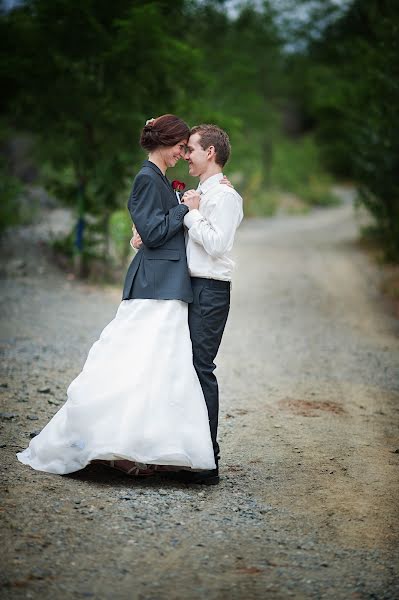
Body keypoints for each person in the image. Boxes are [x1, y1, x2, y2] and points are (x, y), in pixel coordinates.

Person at [16, 114, 217, 477]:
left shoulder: (159, 179)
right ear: (165, 142)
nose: (182, 154)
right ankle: (114, 446)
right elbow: (155, 233)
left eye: (187, 149)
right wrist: (185, 208)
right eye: (180, 147)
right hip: (154, 286)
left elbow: (152, 229)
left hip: (167, 285)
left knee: (159, 368)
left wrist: (180, 211)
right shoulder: (146, 178)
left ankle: (145, 446)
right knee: (133, 363)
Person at [133, 124, 243, 485]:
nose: (186, 156)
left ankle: (208, 460)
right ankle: (183, 451)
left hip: (211, 289)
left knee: (201, 368)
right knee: (182, 367)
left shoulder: (225, 197)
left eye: (191, 149)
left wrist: (191, 212)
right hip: (188, 286)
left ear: (209, 153)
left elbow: (216, 244)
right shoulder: (197, 194)